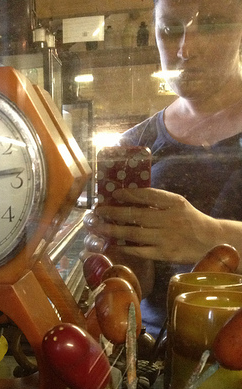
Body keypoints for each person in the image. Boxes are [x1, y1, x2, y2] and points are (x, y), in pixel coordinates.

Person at [84, 0, 242, 338]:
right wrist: (118, 261)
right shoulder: (134, 145)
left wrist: (213, 237)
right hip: (156, 354)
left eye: (212, 25)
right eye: (170, 30)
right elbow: (138, 286)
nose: (186, 49)